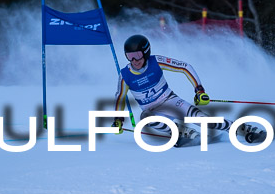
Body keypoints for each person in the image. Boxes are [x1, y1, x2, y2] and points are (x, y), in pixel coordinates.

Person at [111, 34, 264, 146]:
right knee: (145, 118)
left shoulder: (155, 61)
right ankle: (179, 132)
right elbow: (120, 97)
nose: (134, 61)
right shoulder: (125, 75)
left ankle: (245, 129)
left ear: (146, 52)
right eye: (130, 56)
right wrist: (118, 120)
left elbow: (185, 67)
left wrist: (199, 91)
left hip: (171, 101)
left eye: (137, 55)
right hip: (153, 111)